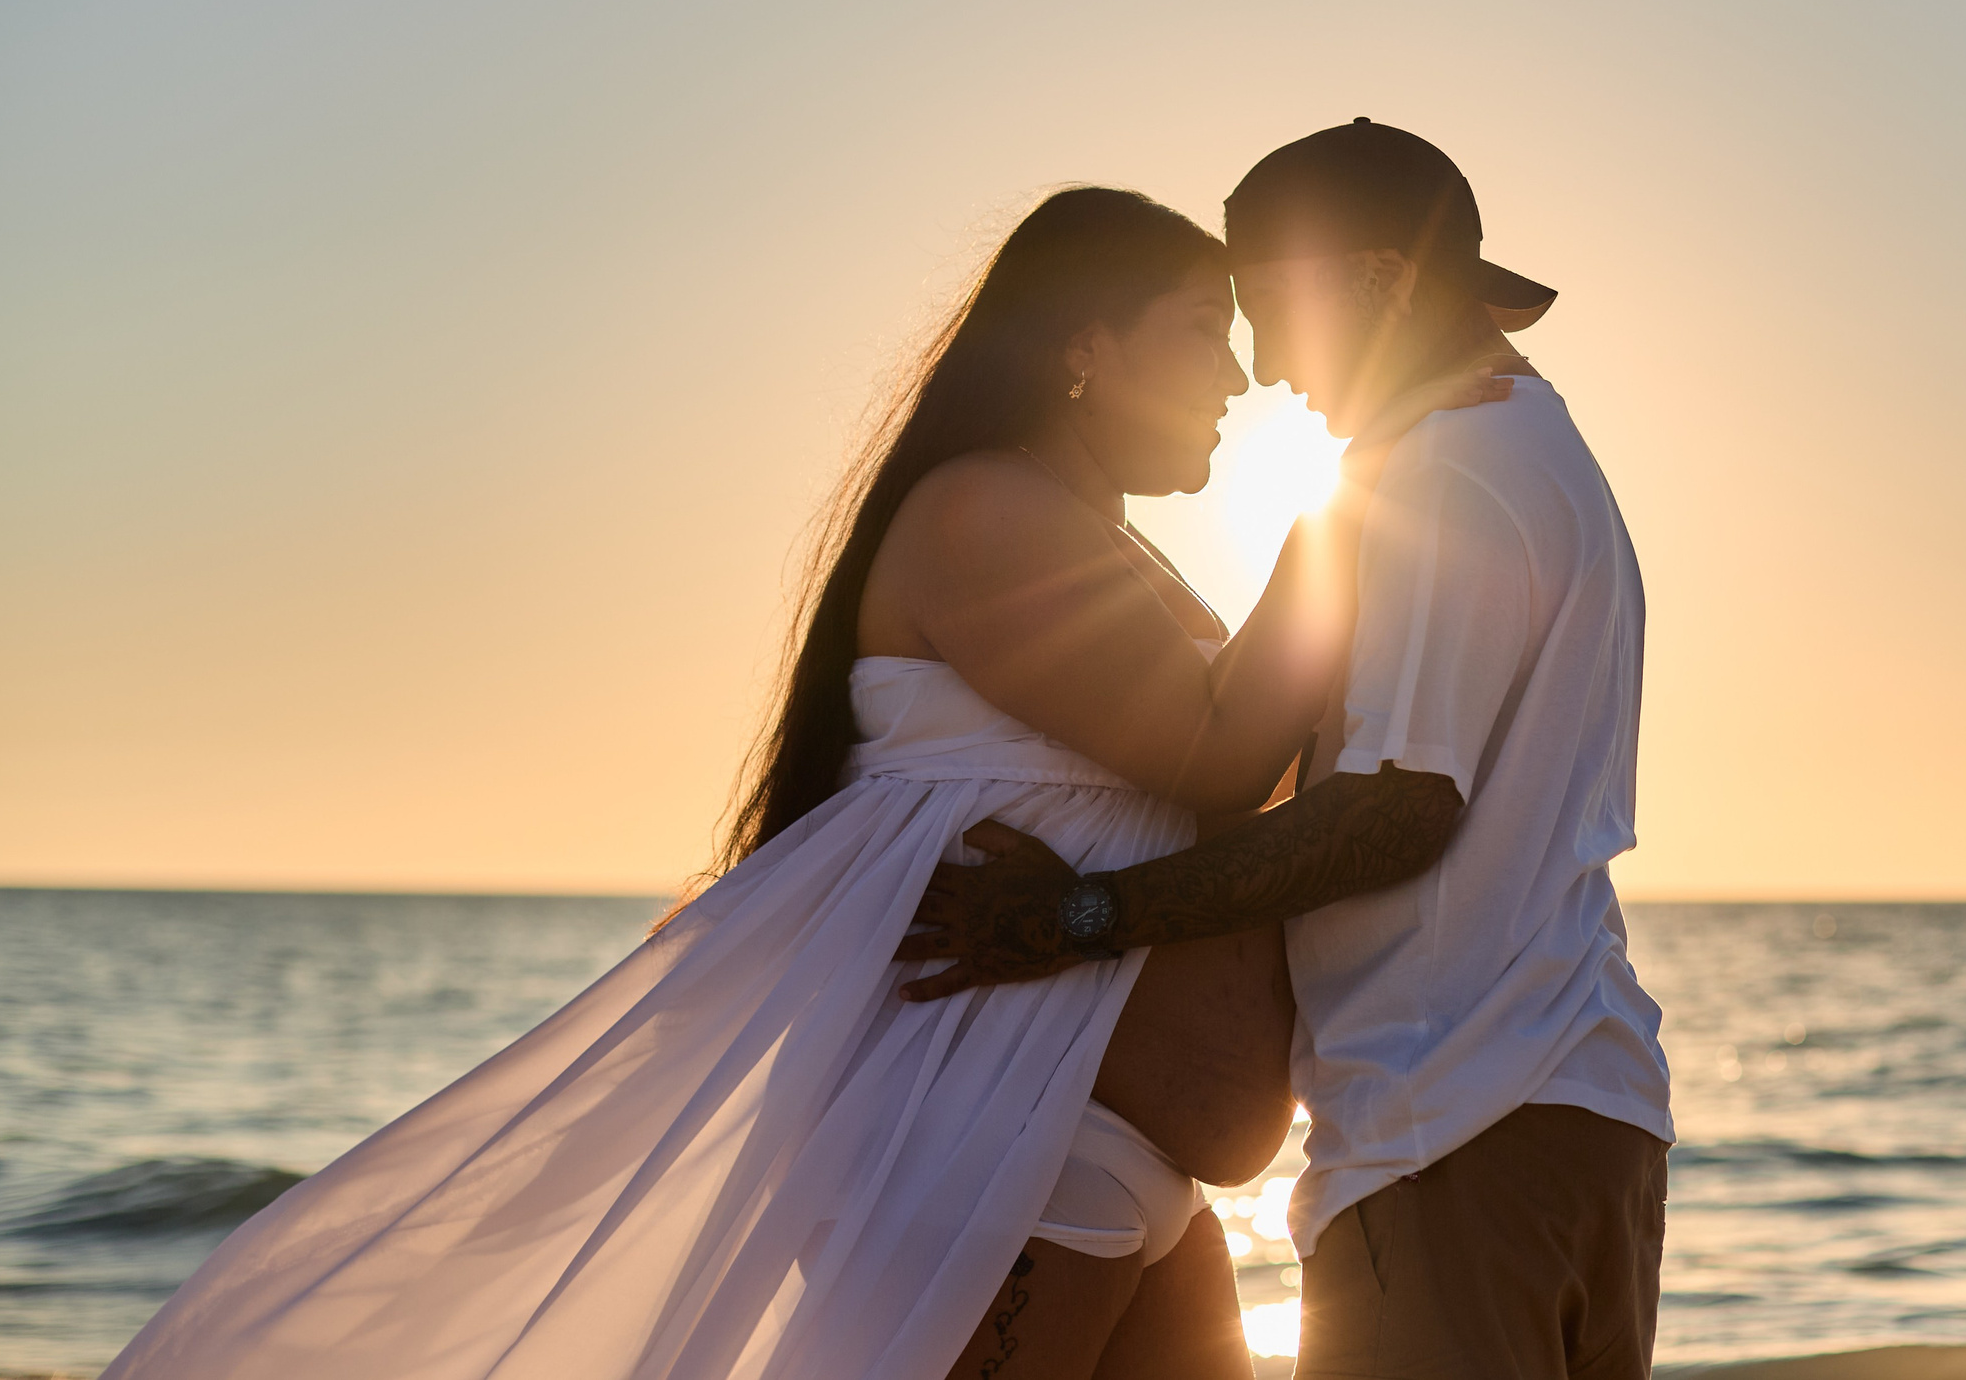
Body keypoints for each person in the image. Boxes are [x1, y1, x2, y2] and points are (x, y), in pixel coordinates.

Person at [99, 185, 1504, 1380]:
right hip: (994, 1139)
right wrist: (1354, 503)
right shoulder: (983, 509)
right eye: (1202, 330)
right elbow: (1218, 749)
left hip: (1089, 1147)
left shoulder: (1105, 547)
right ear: (1085, 345)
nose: (1239, 379)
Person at [902, 121, 1673, 1380]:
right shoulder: (1527, 448)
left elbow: (1394, 812)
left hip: (1454, 1114)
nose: (1262, 369)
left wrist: (1078, 914)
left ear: (1379, 282)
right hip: (1571, 1106)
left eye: (1268, 314)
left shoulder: (1445, 472)